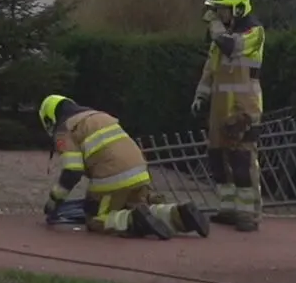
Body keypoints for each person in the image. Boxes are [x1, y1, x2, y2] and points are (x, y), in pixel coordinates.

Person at [39, 94, 209, 240]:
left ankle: (133, 220)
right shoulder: (98, 116)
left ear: (50, 118)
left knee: (96, 219)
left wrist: (54, 201)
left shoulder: (66, 129)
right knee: (144, 208)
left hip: (111, 178)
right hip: (140, 172)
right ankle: (180, 214)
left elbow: (72, 171)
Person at [192, 0, 266, 232]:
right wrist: (200, 97)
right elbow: (210, 70)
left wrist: (214, 26)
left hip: (245, 106)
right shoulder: (219, 38)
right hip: (220, 106)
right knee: (217, 159)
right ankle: (228, 208)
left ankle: (248, 215)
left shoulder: (254, 32)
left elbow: (232, 48)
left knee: (242, 160)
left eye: (222, 9)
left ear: (237, 8)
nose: (219, 14)